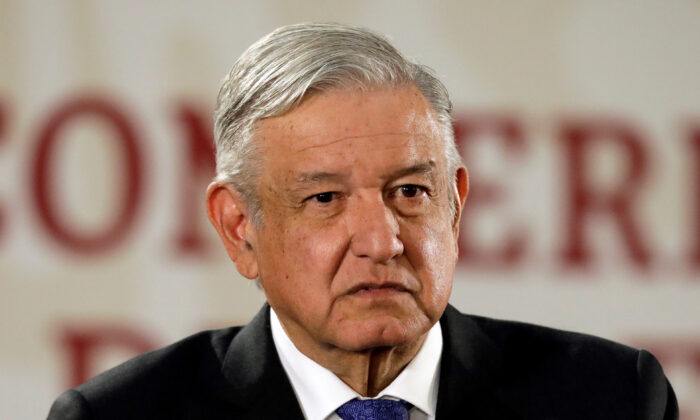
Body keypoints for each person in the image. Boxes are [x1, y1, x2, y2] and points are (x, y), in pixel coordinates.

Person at [48, 23, 678, 420]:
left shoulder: (613, 398)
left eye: (410, 190)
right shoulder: (120, 416)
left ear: (455, 205)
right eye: (324, 199)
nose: (382, 241)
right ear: (240, 227)